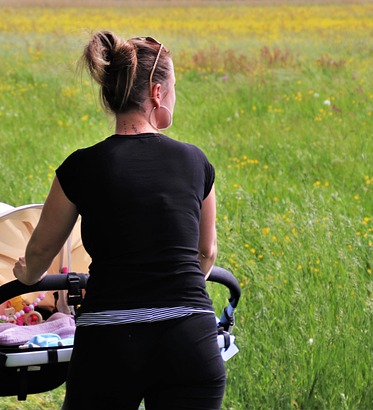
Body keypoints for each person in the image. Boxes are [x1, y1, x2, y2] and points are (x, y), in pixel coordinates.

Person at [13, 30, 225, 410]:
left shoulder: (80, 167)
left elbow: (41, 251)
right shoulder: (196, 162)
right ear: (158, 94)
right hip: (189, 337)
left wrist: (27, 275)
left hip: (110, 341)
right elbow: (205, 253)